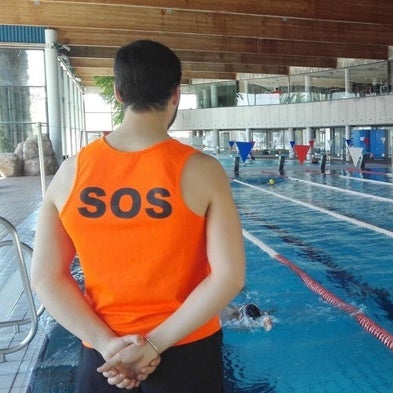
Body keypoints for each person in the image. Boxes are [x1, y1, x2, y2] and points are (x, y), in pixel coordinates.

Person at [31, 39, 246, 392]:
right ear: (175, 94)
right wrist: (154, 344)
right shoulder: (202, 171)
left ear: (118, 93)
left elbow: (47, 278)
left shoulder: (71, 172)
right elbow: (229, 277)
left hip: (104, 359)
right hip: (187, 348)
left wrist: (106, 344)